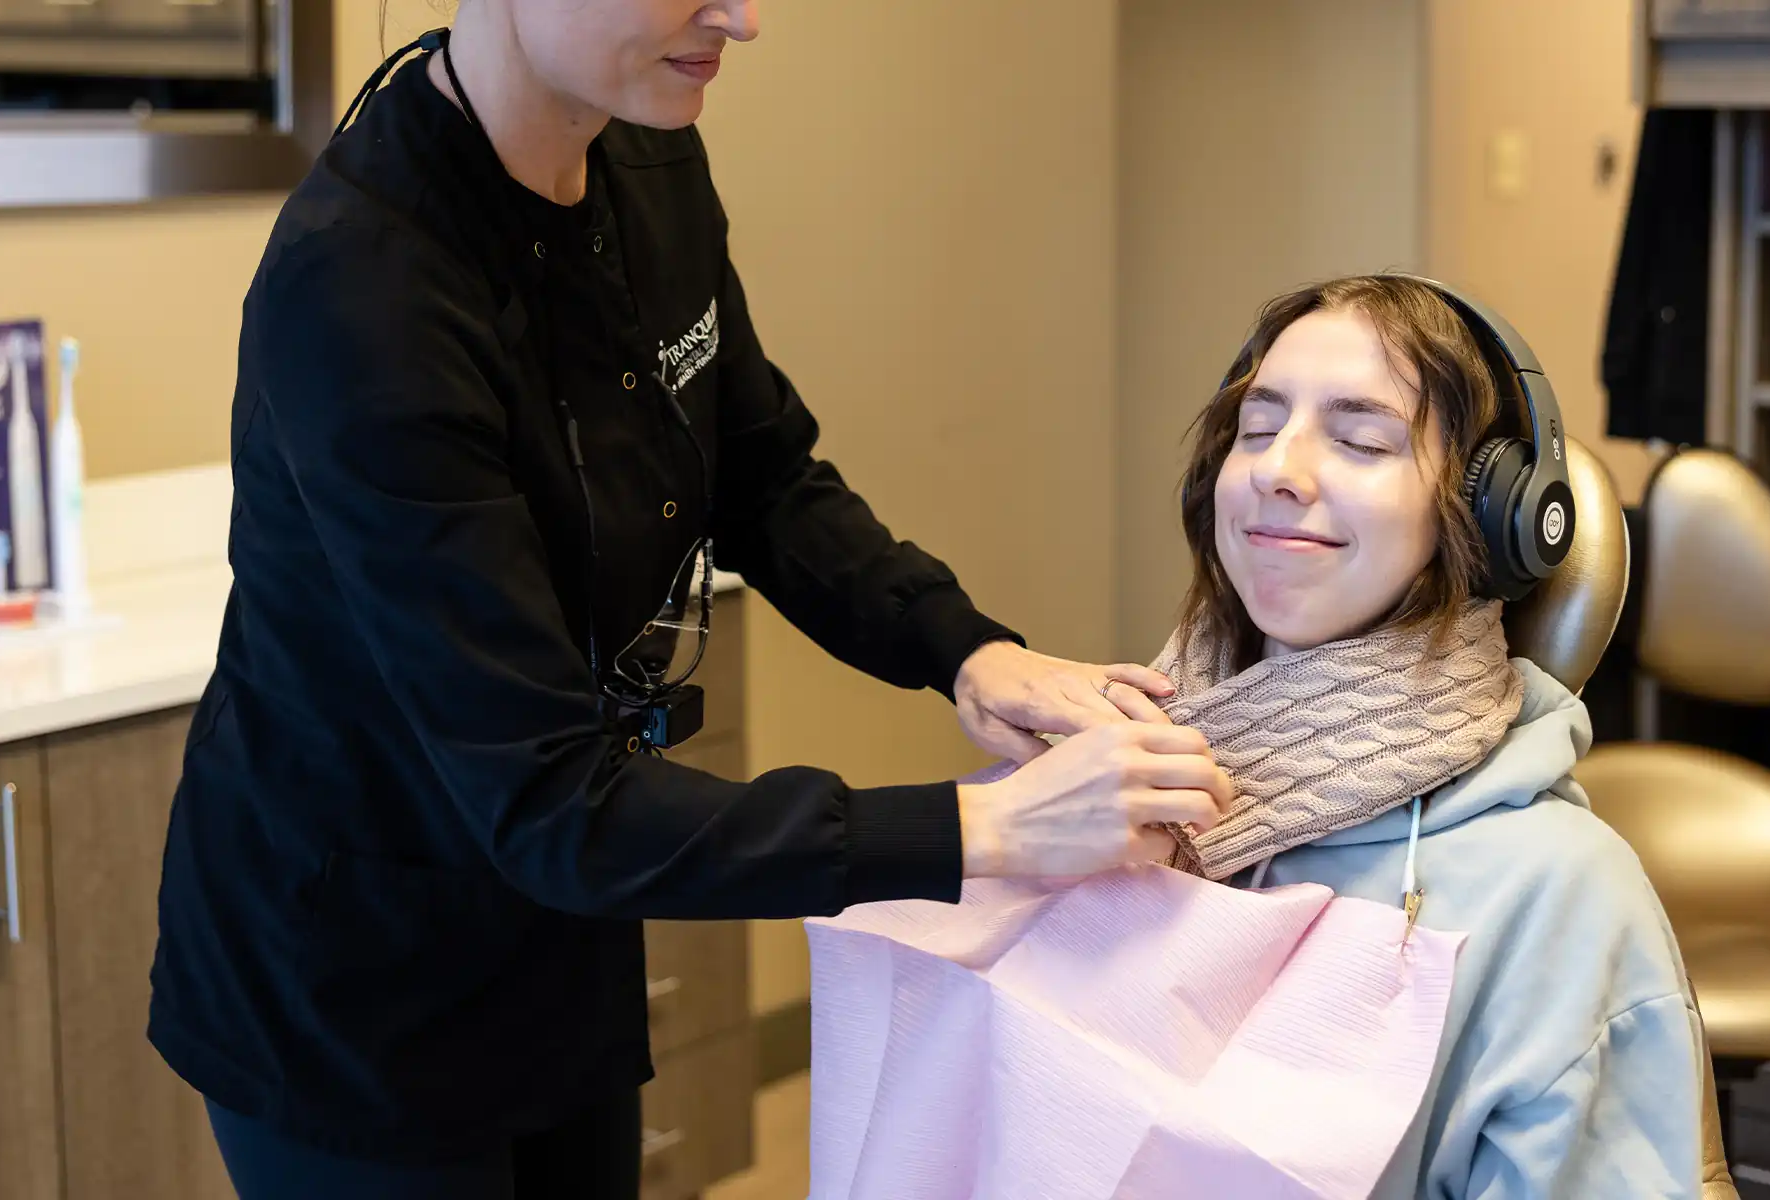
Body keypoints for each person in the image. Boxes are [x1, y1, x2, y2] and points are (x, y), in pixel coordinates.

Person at [145, 2, 1230, 1196]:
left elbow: (759, 475)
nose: (742, 18)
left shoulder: (647, 154)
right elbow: (554, 803)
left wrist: (966, 651)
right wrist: (990, 833)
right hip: (351, 984)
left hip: (556, 937)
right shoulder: (363, 287)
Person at [1167, 274, 1704, 1195]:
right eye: (1256, 429)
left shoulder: (1559, 895)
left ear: (1490, 518)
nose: (1276, 469)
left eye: (1361, 438)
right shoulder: (1128, 787)